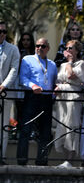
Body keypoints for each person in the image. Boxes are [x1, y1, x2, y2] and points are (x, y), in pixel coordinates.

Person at [17, 38, 58, 166]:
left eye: (43, 46)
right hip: (32, 96)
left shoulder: (52, 64)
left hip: (46, 99)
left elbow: (54, 80)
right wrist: (32, 85)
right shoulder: (27, 59)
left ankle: (42, 161)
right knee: (26, 129)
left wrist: (56, 87)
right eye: (37, 45)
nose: (40, 48)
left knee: (45, 131)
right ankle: (22, 160)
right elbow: (22, 78)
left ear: (48, 48)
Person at [53, 40, 84, 167]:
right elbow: (59, 79)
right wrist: (58, 86)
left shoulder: (80, 63)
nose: (68, 50)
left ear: (76, 50)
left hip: (73, 96)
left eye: (71, 48)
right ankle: (65, 160)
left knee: (72, 126)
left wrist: (70, 63)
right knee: (62, 126)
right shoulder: (62, 65)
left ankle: (70, 160)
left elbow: (71, 76)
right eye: (67, 48)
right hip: (62, 96)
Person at [0, 21, 20, 164]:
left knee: (3, 127)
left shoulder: (13, 49)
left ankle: (1, 156)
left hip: (4, 94)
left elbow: (14, 69)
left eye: (3, 32)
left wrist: (3, 85)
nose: (1, 34)